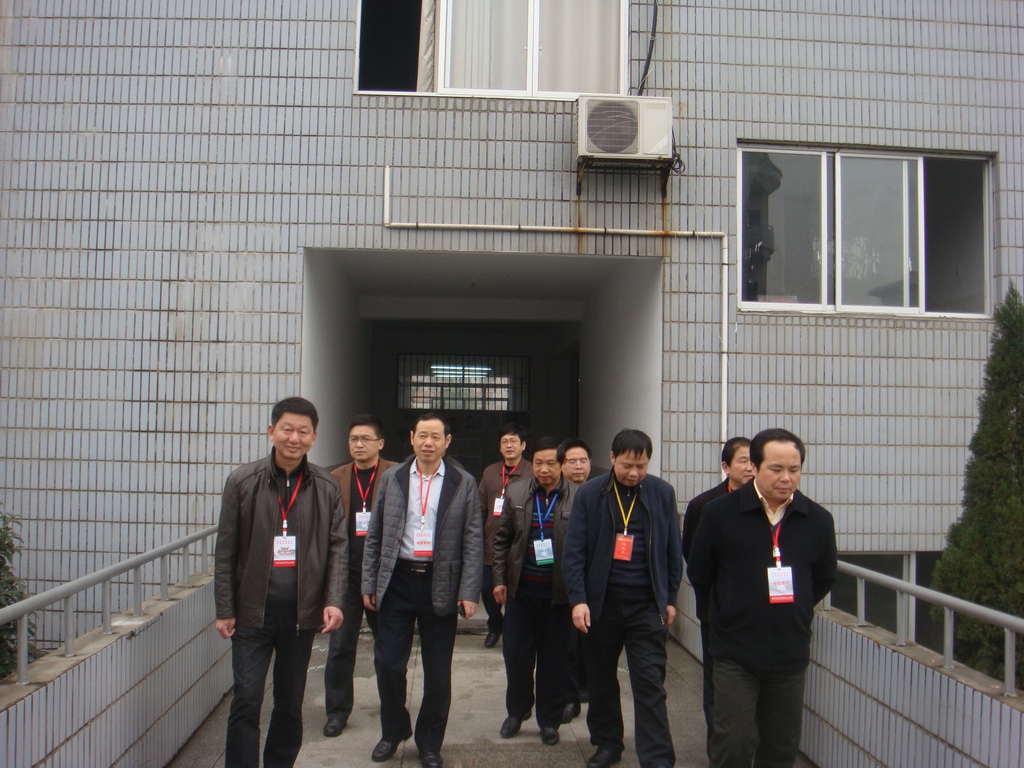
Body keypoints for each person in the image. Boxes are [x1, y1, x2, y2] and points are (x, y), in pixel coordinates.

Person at [687, 428, 838, 768]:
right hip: (735, 650)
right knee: (733, 743)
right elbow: (700, 572)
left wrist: (795, 610)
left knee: (781, 747)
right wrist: (728, 613)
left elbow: (824, 577)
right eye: (776, 468)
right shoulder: (719, 514)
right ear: (754, 467)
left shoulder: (817, 520)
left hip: (789, 652)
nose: (786, 478)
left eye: (794, 469)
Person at [214, 397, 346, 768]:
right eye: (287, 429)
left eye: (303, 432)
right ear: (271, 431)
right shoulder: (243, 482)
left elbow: (338, 548)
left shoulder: (326, 486)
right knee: (247, 698)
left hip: (300, 615)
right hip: (251, 614)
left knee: (289, 703)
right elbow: (225, 550)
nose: (294, 438)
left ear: (314, 437)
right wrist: (224, 608)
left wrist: (334, 600)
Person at [362, 412, 483, 768]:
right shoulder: (393, 477)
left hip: (440, 581)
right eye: (422, 436)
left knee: (438, 672)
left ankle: (430, 742)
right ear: (412, 438)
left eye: (436, 437)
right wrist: (369, 581)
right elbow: (375, 533)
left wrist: (469, 591)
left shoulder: (463, 482)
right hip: (397, 580)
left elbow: (473, 538)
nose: (428, 443)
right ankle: (394, 729)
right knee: (387, 663)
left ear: (447, 442)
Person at [562, 429, 682, 768]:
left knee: (650, 683)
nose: (634, 473)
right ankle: (607, 743)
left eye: (641, 466)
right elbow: (574, 552)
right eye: (627, 465)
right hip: (602, 605)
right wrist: (578, 599)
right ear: (612, 458)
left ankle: (657, 758)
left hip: (646, 605)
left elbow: (673, 549)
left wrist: (669, 598)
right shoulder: (591, 494)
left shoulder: (662, 493)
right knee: (601, 680)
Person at [492, 436, 579, 747]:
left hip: (559, 598)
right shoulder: (517, 492)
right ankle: (517, 712)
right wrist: (499, 579)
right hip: (521, 593)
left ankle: (549, 720)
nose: (544, 469)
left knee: (554, 661)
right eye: (539, 463)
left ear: (562, 465)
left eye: (551, 463)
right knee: (516, 656)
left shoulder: (578, 497)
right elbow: (502, 539)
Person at [322, 415, 397, 737]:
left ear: (380, 443)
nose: (359, 445)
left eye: (366, 439)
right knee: (340, 647)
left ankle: (392, 705)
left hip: (384, 578)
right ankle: (337, 712)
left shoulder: (396, 475)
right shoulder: (334, 478)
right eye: (354, 439)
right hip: (347, 577)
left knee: (389, 649)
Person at [681, 436, 753, 753]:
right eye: (743, 461)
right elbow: (693, 556)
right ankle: (718, 747)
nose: (750, 467)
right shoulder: (704, 506)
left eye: (754, 461)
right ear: (726, 466)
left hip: (758, 615)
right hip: (717, 610)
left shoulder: (767, 504)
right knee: (716, 679)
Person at [477, 424, 533, 648]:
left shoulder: (531, 472)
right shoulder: (490, 472)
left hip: (519, 545)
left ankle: (512, 629)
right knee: (486, 589)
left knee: (515, 593)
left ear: (523, 445)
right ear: (500, 447)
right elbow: (480, 507)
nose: (509, 446)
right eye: (505, 442)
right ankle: (495, 623)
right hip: (491, 544)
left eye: (514, 441)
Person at [557, 436, 593, 723]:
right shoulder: (554, 496)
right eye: (572, 461)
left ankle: (587, 686)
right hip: (564, 582)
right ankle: (569, 696)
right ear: (561, 465)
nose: (578, 466)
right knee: (567, 644)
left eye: (583, 460)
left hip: (596, 582)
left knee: (591, 643)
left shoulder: (601, 493)